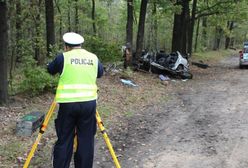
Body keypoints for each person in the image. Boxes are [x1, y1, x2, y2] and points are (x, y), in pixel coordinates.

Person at [47, 32, 104, 168]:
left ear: (66, 46)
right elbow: (100, 73)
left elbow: (50, 69)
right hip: (89, 104)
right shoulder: (93, 58)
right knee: (86, 140)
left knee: (65, 139)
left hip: (68, 105)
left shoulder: (63, 57)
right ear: (80, 45)